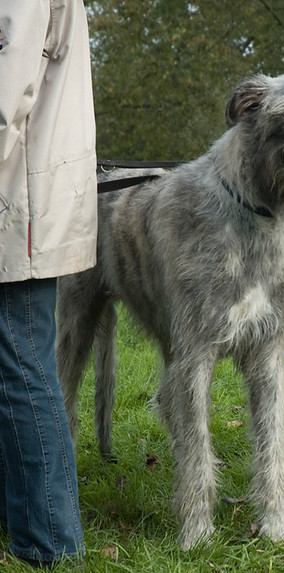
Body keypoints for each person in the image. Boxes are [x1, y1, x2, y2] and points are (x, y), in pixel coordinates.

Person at [0, 0, 96, 566]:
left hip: (20, 198)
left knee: (21, 359)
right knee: (15, 358)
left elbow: (8, 95)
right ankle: (26, 523)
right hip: (20, 191)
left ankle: (51, 543)